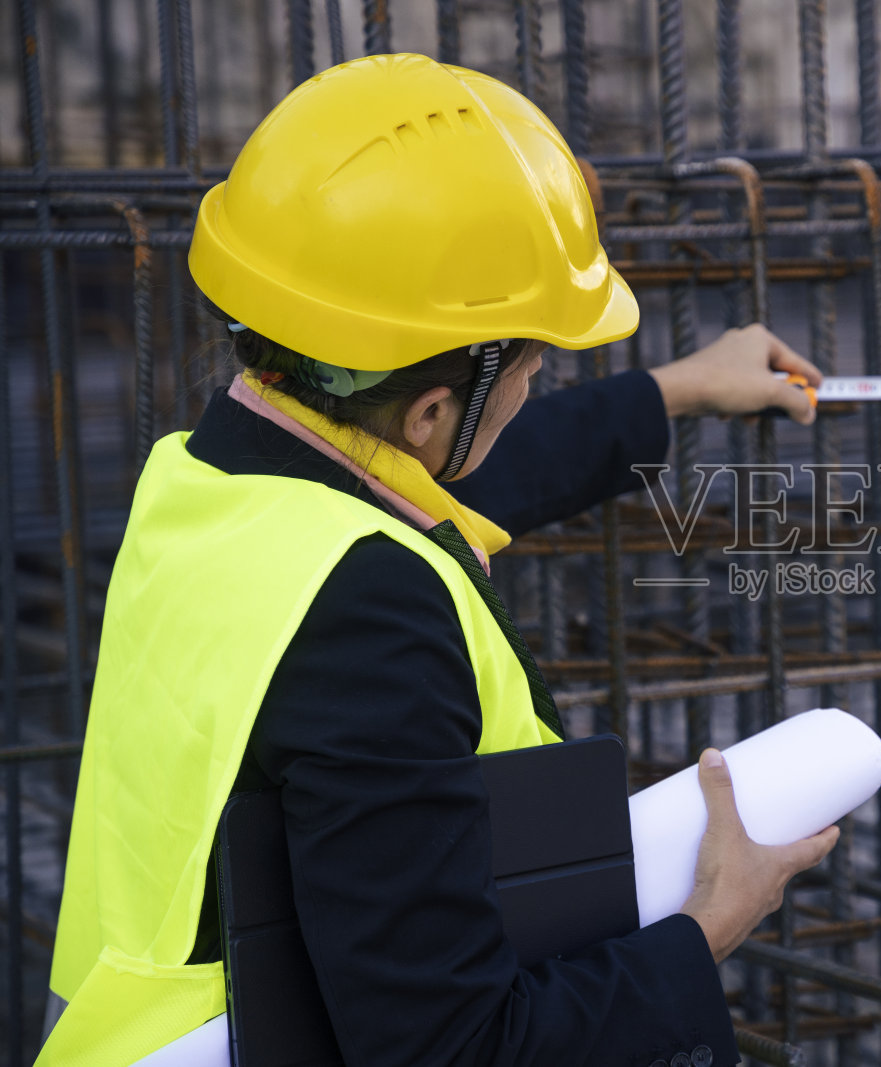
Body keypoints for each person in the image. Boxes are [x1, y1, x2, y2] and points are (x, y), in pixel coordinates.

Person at [39, 53, 836, 1067]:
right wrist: (701, 929)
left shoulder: (203, 480)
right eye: (531, 358)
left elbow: (446, 482)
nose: (540, 374)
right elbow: (447, 1049)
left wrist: (674, 390)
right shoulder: (368, 614)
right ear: (426, 412)